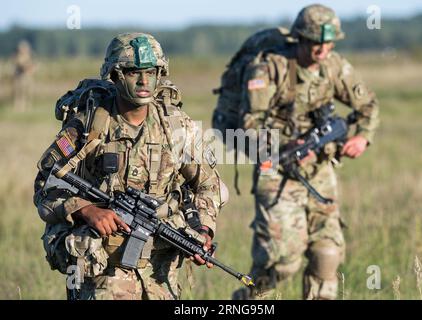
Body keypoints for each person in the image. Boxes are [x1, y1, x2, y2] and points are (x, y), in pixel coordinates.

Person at [33, 32, 228, 300]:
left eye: (151, 72)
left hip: (161, 274)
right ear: (114, 75)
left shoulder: (176, 127)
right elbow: (46, 182)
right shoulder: (89, 126)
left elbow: (209, 185)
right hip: (102, 274)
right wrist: (86, 210)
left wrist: (203, 229)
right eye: (133, 72)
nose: (144, 81)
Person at [232, 4, 380, 300]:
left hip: (320, 173)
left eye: (328, 42)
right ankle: (247, 300)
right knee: (282, 261)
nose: (322, 49)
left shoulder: (335, 66)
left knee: (327, 253)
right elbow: (248, 124)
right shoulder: (269, 68)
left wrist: (362, 137)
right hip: (277, 172)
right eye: (315, 42)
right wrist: (286, 147)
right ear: (300, 38)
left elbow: (367, 106)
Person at [12, 40, 35, 111]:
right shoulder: (17, 56)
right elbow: (19, 64)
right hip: (19, 77)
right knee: (18, 92)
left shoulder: (29, 55)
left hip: (27, 77)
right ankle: (18, 107)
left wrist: (30, 68)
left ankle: (27, 106)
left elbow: (32, 66)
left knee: (27, 92)